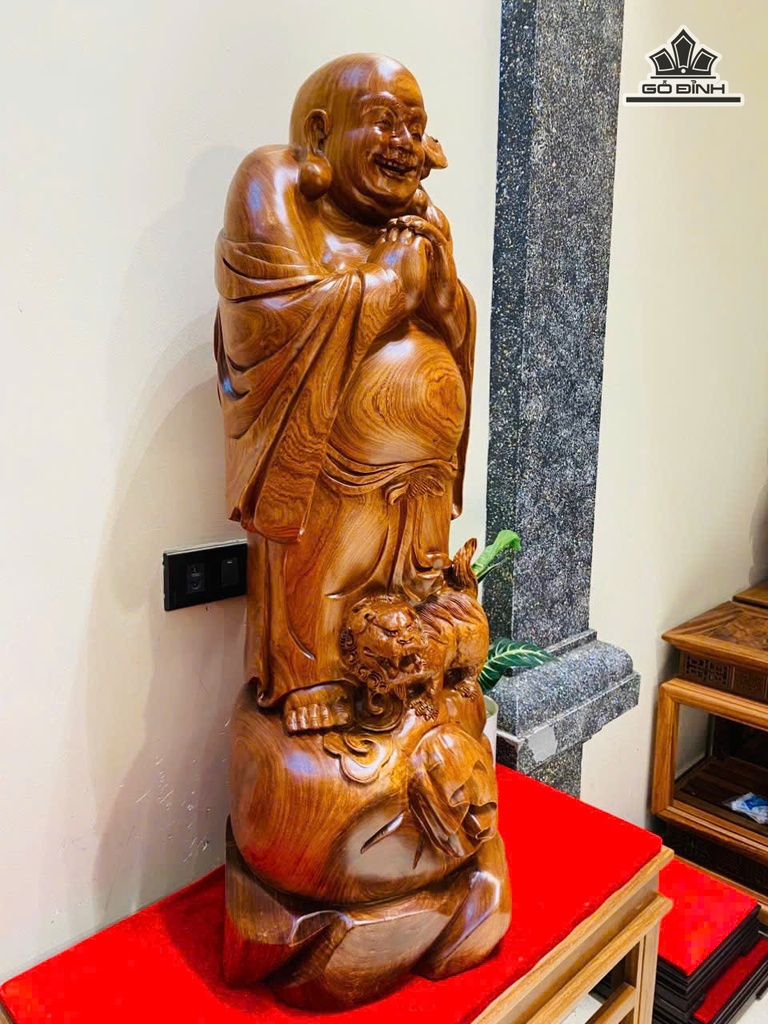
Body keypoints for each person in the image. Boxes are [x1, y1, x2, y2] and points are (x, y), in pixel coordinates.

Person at [215, 53, 476, 726]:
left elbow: (456, 329)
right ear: (320, 131)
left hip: (421, 472)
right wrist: (389, 282)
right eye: (384, 122)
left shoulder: (423, 219)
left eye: (416, 126)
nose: (405, 143)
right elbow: (271, 323)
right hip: (329, 473)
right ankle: (309, 679)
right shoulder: (274, 185)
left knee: (417, 591)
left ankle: (415, 673)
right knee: (325, 576)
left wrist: (442, 293)